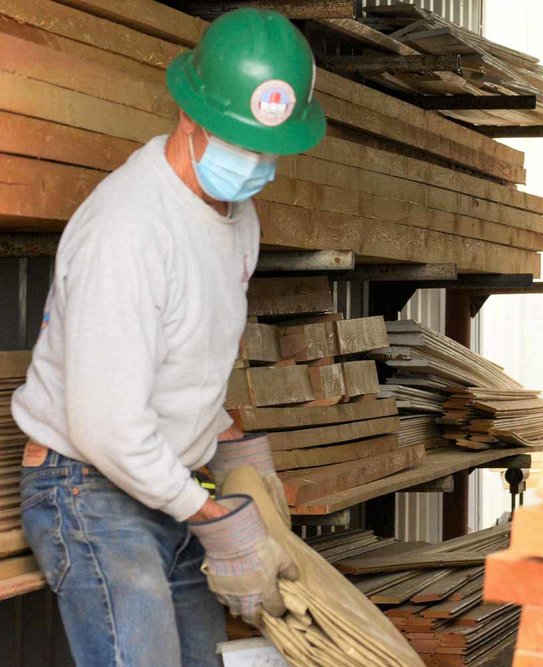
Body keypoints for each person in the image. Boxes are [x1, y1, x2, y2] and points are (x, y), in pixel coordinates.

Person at [12, 9, 327, 665]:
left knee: (203, 656)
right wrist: (213, 517)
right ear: (191, 116)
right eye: (241, 144)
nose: (256, 164)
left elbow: (187, 359)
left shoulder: (238, 219)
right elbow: (105, 424)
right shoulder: (129, 228)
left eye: (268, 150)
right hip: (89, 486)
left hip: (168, 480)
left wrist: (234, 448)